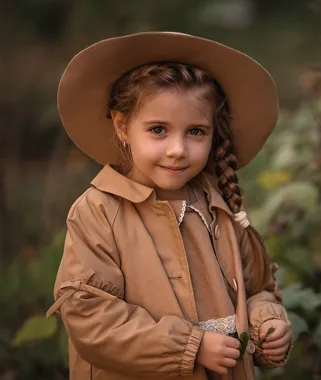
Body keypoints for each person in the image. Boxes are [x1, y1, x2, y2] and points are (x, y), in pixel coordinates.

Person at [46, 31, 293, 380]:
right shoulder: (98, 212)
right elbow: (91, 317)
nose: (178, 149)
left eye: (195, 132)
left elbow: (258, 289)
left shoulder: (217, 205)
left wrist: (266, 323)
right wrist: (190, 347)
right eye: (159, 129)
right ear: (122, 126)